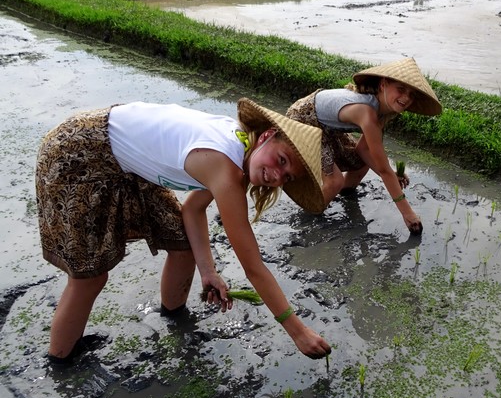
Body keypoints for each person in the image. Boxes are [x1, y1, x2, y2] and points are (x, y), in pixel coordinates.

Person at [36, 98, 332, 364]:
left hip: (125, 163)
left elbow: (192, 210)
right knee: (89, 276)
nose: (277, 176)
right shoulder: (225, 166)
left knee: (182, 241)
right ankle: (61, 361)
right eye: (281, 160)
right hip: (79, 151)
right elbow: (253, 267)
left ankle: (173, 320)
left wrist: (208, 272)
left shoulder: (242, 151)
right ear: (266, 136)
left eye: (287, 175)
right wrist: (298, 331)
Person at [286, 57, 441, 234]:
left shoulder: (382, 112)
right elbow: (383, 170)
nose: (406, 98)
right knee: (334, 181)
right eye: (400, 89)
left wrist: (392, 175)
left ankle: (347, 193)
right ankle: (308, 220)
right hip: (303, 121)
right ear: (383, 84)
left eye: (411, 95)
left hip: (326, 128)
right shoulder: (367, 113)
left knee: (361, 161)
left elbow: (363, 150)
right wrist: (408, 213)